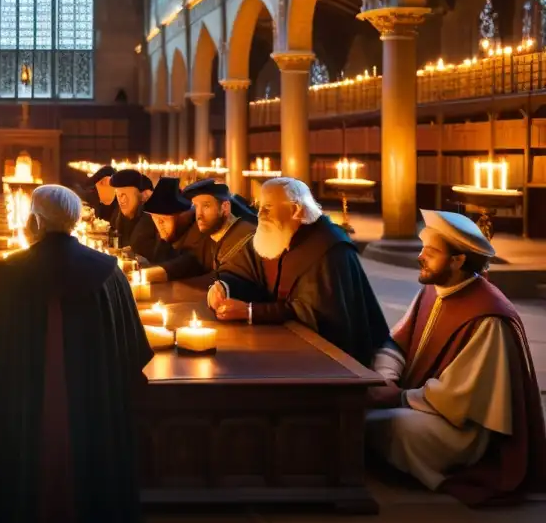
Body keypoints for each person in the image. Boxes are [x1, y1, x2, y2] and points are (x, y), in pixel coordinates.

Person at [0, 185, 153, 523]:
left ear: (34, 221)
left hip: (21, 417)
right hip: (92, 417)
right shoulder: (109, 273)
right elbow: (134, 352)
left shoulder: (6, 274)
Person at [366, 210, 546, 505]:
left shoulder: (487, 316)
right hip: (422, 401)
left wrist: (397, 397)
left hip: (461, 428)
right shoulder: (433, 291)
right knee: (365, 414)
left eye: (431, 252)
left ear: (458, 260)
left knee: (389, 425)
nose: (420, 257)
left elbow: (460, 398)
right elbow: (396, 342)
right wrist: (387, 378)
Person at [208, 177, 388, 365]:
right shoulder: (274, 234)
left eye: (268, 207)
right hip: (279, 348)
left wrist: (251, 311)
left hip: (327, 362)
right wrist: (224, 286)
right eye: (259, 206)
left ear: (296, 210)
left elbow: (315, 314)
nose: (259, 214)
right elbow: (244, 271)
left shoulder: (329, 248)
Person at [138, 177, 206, 281]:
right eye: (155, 217)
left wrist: (149, 274)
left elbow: (189, 262)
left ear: (183, 216)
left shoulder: (197, 232)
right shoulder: (164, 238)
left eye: (164, 218)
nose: (159, 223)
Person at [109, 168, 159, 260]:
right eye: (118, 195)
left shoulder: (151, 219)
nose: (121, 200)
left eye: (125, 194)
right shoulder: (118, 216)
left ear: (142, 196)